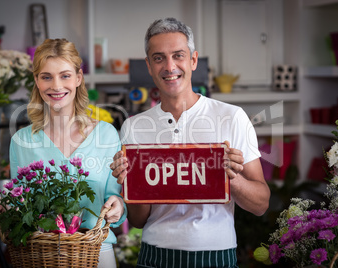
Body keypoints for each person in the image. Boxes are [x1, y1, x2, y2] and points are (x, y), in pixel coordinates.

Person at [110, 18, 270, 268]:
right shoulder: (134, 127)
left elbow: (261, 204)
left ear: (193, 60)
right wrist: (133, 181)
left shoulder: (232, 117)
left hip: (217, 254)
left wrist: (231, 178)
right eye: (159, 58)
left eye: (178, 55)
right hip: (154, 255)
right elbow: (139, 220)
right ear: (149, 66)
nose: (169, 66)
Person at [0, 38, 126, 267]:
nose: (56, 86)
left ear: (78, 78)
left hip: (95, 252)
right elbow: (20, 204)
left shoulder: (106, 135)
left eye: (65, 75)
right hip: (39, 255)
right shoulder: (21, 141)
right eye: (46, 77)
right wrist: (5, 208)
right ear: (36, 80)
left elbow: (114, 199)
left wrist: (118, 206)